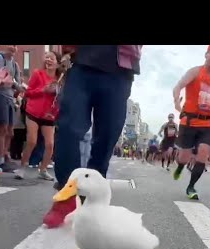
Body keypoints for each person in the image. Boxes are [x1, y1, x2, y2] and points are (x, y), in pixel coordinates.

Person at [43, 45, 142, 229]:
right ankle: (67, 196)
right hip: (82, 62)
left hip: (121, 68)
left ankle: (93, 199)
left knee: (107, 136)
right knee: (69, 128)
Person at [172, 45, 210, 200]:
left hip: (207, 124)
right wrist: (177, 104)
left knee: (203, 153)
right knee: (185, 156)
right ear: (206, 54)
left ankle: (191, 187)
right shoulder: (195, 72)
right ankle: (180, 165)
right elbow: (178, 86)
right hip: (189, 121)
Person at [15, 51, 62, 181]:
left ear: (58, 63)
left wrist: (57, 93)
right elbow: (28, 93)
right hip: (33, 112)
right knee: (31, 141)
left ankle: (43, 169)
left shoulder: (60, 80)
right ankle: (22, 167)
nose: (48, 60)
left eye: (51, 58)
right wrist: (43, 90)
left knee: (50, 144)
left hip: (49, 116)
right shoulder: (37, 74)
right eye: (46, 57)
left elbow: (60, 100)